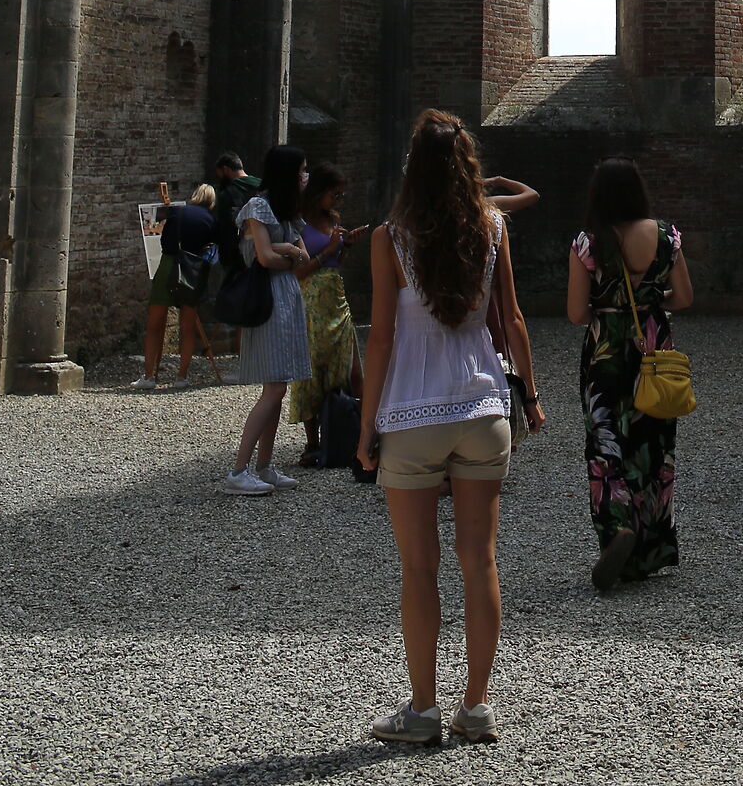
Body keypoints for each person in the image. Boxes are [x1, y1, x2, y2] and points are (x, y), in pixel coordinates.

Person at [357, 109, 544, 749]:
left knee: (419, 568)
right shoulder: (493, 227)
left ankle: (423, 710)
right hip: (483, 408)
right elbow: (512, 321)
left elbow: (380, 338)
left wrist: (365, 426)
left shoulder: (391, 238)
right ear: (468, 166)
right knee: (480, 560)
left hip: (412, 412)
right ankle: (478, 706)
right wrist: (533, 396)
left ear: (415, 167)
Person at [567, 157, 693, 591]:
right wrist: (650, 301)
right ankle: (648, 548)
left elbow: (575, 312)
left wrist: (612, 306)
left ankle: (616, 526)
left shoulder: (589, 241)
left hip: (606, 350)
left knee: (606, 443)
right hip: (654, 344)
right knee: (652, 445)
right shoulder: (666, 235)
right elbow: (686, 297)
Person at [218, 143, 313, 498]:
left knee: (279, 386)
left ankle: (264, 465)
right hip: (268, 299)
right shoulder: (259, 206)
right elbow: (264, 257)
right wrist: (287, 252)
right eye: (302, 170)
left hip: (286, 297)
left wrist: (286, 253)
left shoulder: (287, 210)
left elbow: (302, 255)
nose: (306, 176)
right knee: (273, 388)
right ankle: (238, 469)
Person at [290, 163, 368, 463]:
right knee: (312, 371)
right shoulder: (298, 225)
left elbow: (336, 262)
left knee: (351, 370)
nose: (339, 201)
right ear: (319, 193)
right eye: (335, 195)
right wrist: (329, 249)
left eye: (342, 196)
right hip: (311, 303)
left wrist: (345, 247)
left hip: (336, 298)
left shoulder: (332, 220)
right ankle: (312, 444)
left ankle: (354, 435)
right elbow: (298, 273)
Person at [131, 183, 217, 390]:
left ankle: (149, 376)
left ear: (195, 195)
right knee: (187, 327)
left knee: (154, 323)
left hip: (169, 264)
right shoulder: (211, 220)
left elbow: (164, 242)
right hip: (193, 270)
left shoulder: (178, 212)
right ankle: (182, 376)